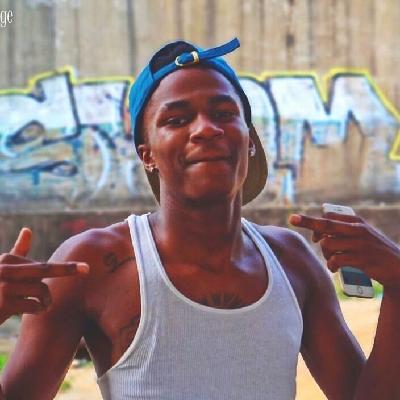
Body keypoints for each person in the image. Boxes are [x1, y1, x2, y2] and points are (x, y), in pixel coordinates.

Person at [0, 38, 399, 400]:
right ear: (147, 154)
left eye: (224, 113)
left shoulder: (292, 263)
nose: (206, 129)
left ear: (249, 139)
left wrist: (397, 283)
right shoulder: (91, 266)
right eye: (176, 120)